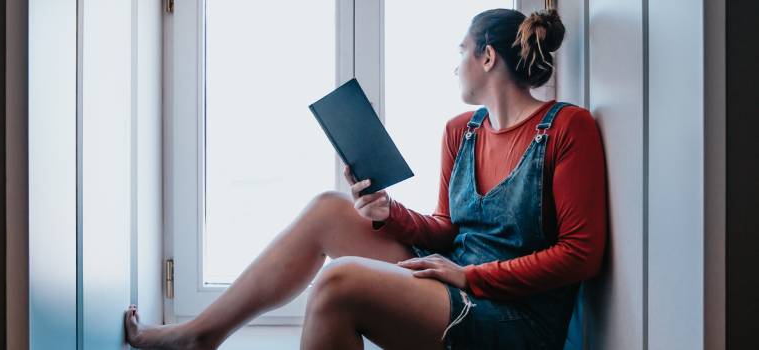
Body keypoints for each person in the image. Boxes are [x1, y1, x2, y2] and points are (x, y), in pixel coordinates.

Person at [124, 7, 607, 350]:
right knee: (328, 208)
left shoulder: (568, 126)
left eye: (461, 51)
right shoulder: (462, 130)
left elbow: (581, 255)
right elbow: (447, 227)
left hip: (514, 315)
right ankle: (202, 335)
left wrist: (468, 275)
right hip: (453, 275)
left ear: (486, 58)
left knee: (338, 282)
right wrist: (387, 213)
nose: (454, 64)